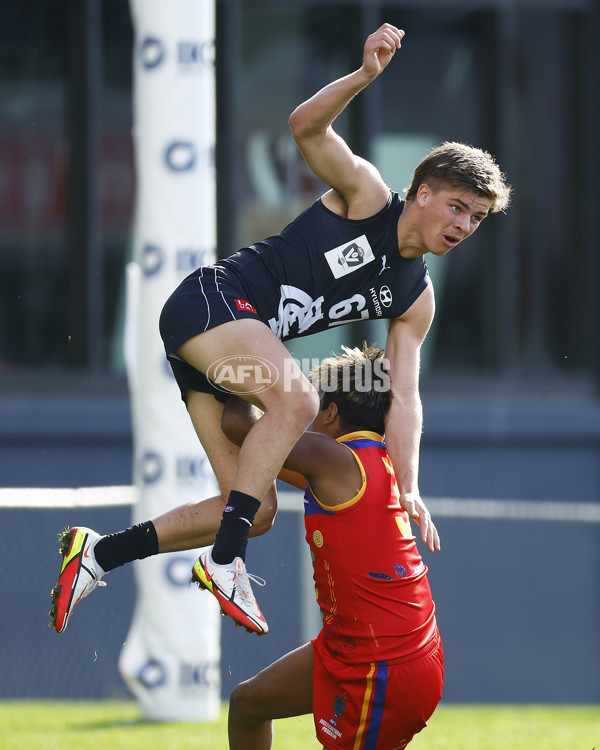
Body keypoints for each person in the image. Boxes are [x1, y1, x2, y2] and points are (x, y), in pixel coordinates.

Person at [50, 22, 510, 636]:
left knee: (255, 506)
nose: (464, 225)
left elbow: (405, 398)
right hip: (210, 305)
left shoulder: (416, 299)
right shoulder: (369, 196)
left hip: (218, 356)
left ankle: (98, 556)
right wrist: (365, 76)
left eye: (476, 219)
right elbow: (304, 127)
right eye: (457, 207)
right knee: (297, 399)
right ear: (422, 193)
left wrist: (410, 487)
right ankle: (226, 561)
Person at [223, 344, 444, 750]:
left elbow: (237, 424)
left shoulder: (331, 458)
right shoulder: (373, 462)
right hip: (389, 649)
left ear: (330, 413)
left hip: (379, 661)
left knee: (249, 706)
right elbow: (257, 445)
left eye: (313, 404)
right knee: (249, 703)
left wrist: (240, 348)